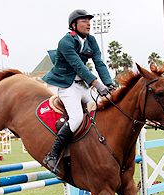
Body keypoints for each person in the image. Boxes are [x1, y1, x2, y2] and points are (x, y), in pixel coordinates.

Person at [42, 9, 115, 173]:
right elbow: (78, 66)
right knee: (76, 118)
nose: (88, 23)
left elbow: (99, 63)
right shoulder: (65, 42)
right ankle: (53, 155)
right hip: (66, 85)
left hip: (82, 85)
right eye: (84, 20)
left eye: (89, 20)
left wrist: (109, 84)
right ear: (74, 25)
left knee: (100, 112)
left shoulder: (91, 40)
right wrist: (97, 84)